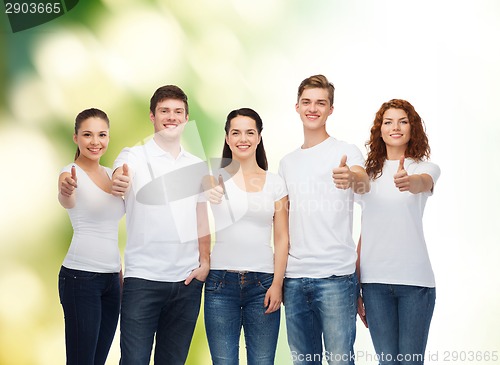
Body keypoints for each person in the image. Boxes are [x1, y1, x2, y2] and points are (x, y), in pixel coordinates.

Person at [111, 85, 210, 364]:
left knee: (173, 361)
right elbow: (119, 176)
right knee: (134, 360)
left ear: (186, 119)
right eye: (164, 111)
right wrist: (119, 179)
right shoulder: (134, 156)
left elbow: (201, 216)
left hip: (186, 283)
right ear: (152, 116)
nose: (171, 117)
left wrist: (205, 262)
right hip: (142, 280)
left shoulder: (197, 165)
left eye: (178, 112)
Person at [278, 74, 370, 365]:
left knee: (341, 361)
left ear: (331, 109)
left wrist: (351, 177)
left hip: (336, 278)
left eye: (321, 103)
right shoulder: (287, 163)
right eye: (307, 102)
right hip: (294, 280)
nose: (313, 108)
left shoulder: (346, 152)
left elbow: (364, 183)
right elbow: (280, 223)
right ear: (297, 107)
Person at [356, 99, 440, 365]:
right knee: (387, 362)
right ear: (379, 130)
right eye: (388, 121)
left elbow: (421, 183)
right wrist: (356, 285)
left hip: (415, 283)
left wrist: (408, 181)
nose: (395, 127)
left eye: (403, 121)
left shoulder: (424, 168)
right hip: (375, 283)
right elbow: (365, 231)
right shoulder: (367, 175)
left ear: (412, 128)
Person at [203, 108, 289, 364]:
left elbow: (282, 237)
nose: (243, 138)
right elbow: (195, 224)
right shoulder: (213, 180)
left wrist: (277, 284)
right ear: (227, 138)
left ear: (259, 137)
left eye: (250, 132)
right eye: (236, 132)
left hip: (263, 284)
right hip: (220, 284)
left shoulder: (276, 183)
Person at [57, 108, 125, 365]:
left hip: (112, 281)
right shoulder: (69, 173)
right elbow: (66, 196)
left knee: (99, 360)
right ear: (76, 138)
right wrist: (66, 189)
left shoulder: (112, 173)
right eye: (87, 135)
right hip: (80, 278)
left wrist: (119, 274)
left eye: (101, 135)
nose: (95, 142)